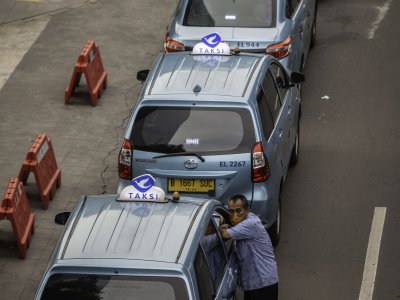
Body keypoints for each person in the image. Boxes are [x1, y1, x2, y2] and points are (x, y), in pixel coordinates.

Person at [219, 194, 279, 300]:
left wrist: (220, 227)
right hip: (252, 283)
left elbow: (225, 235)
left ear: (247, 210)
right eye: (231, 212)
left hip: (263, 282)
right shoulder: (242, 225)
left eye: (238, 211)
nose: (234, 215)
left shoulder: (251, 223)